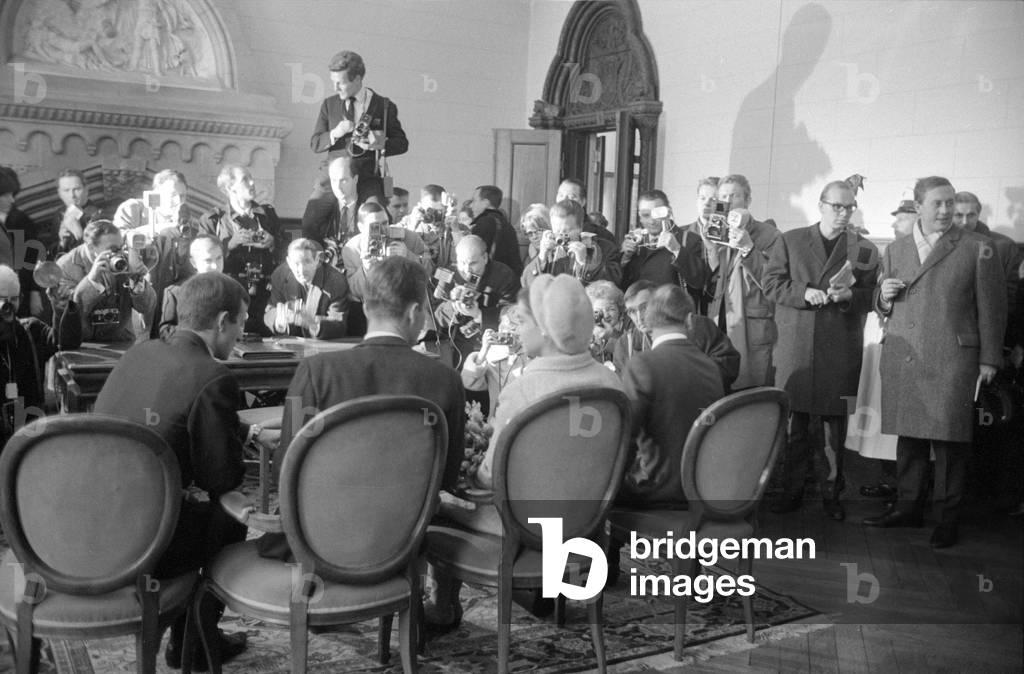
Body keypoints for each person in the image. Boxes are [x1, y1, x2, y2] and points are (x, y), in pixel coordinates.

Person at [426, 274, 624, 631]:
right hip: (587, 526)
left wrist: (463, 472)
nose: (517, 328)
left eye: (524, 320)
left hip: (524, 527)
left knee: (436, 503)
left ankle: (443, 607)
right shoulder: (611, 383)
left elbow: (488, 479)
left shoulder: (525, 390)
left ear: (546, 331)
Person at [94, 272, 270, 670]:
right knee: (229, 516)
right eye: (242, 322)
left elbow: (164, 417)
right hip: (154, 540)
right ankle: (195, 640)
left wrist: (247, 429)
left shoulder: (141, 352)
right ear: (223, 320)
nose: (242, 333)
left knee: (202, 502)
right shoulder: (214, 377)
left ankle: (191, 638)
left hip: (99, 520)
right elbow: (221, 477)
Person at [863, 176, 1005, 549]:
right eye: (937, 204)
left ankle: (947, 519)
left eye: (950, 203)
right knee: (908, 439)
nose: (945, 211)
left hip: (953, 359)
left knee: (950, 444)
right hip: (907, 355)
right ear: (919, 207)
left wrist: (990, 358)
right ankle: (907, 509)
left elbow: (993, 308)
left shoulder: (978, 248)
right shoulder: (896, 249)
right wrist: (883, 296)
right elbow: (882, 303)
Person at [277, 255, 464, 489]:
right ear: (415, 311)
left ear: (365, 308)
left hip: (323, 519)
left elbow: (286, 465)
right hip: (413, 521)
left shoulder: (315, 372)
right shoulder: (446, 380)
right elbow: (447, 477)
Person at [763, 180, 880, 521]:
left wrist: (850, 297)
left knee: (835, 428)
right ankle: (791, 491)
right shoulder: (791, 240)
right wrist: (803, 293)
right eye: (837, 207)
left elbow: (874, 297)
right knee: (794, 425)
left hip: (841, 349)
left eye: (849, 207)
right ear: (821, 205)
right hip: (796, 349)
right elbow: (771, 284)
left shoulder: (865, 250)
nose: (844, 214)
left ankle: (832, 494)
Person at [618, 284, 724, 506]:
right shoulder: (710, 366)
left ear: (650, 319)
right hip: (705, 489)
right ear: (688, 320)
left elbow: (624, 437)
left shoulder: (642, 365)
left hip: (657, 491)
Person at [846, 192, 916, 504]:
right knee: (887, 418)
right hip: (891, 340)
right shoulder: (893, 253)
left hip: (915, 347)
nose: (894, 222)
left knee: (906, 422)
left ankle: (907, 486)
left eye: (901, 216)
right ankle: (892, 479)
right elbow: (879, 300)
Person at [301, 50, 408, 232]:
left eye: (340, 83)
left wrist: (379, 143)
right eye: (333, 82)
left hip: (366, 176)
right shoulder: (329, 104)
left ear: (357, 79)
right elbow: (315, 143)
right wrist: (335, 133)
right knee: (310, 222)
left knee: (377, 221)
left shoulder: (383, 106)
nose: (335, 88)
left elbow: (402, 143)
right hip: (333, 175)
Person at [701, 174, 781, 389]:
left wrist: (748, 247)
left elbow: (773, 282)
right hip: (722, 319)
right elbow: (712, 281)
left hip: (751, 322)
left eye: (734, 195)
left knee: (751, 390)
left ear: (747, 200)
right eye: (723, 196)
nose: (728, 201)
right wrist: (711, 250)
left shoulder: (769, 235)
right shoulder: (719, 230)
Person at [198, 164, 284, 335]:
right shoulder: (213, 220)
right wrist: (229, 244)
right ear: (230, 188)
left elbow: (287, 252)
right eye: (245, 179)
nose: (252, 182)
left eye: (251, 178)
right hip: (229, 296)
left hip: (264, 296)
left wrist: (272, 242)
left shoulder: (268, 215)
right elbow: (200, 256)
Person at [0, 265, 81, 445]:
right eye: (1, 299)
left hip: (29, 432)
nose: (7, 306)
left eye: (13, 299)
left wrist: (61, 309)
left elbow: (66, 343)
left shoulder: (31, 330)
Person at [113, 170, 199, 338]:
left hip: (165, 303)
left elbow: (187, 270)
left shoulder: (186, 222)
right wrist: (156, 230)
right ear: (155, 193)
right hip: (133, 299)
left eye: (183, 196)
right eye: (173, 195)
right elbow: (115, 241)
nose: (178, 202)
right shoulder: (133, 209)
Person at [613, 280, 740, 390]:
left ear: (659, 305)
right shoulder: (625, 344)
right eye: (632, 311)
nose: (639, 317)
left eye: (644, 307)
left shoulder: (696, 326)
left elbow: (729, 365)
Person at [54, 219, 157, 343]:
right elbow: (69, 314)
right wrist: (91, 280)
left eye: (120, 248)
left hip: (120, 340)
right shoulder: (65, 267)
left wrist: (136, 278)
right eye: (112, 249)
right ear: (91, 248)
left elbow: (147, 307)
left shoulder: (124, 261)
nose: (117, 254)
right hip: (82, 342)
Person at [341, 202, 430, 336]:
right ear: (361, 227)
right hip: (373, 311)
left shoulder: (410, 238)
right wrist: (366, 267)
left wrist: (409, 256)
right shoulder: (352, 249)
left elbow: (428, 274)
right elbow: (356, 292)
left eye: (385, 223)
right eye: (375, 226)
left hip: (405, 305)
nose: (382, 229)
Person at [433, 234, 520, 370]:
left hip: (493, 345)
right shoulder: (448, 273)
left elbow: (512, 316)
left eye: (473, 263)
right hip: (455, 345)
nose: (467, 269)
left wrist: (479, 315)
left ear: (485, 258)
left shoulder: (504, 275)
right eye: (462, 262)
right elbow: (435, 314)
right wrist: (454, 306)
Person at [620, 188, 708, 312]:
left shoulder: (688, 240)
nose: (652, 220)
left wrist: (677, 249)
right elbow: (622, 286)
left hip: (673, 317)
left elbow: (699, 281)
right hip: (639, 319)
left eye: (657, 213)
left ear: (669, 212)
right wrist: (625, 258)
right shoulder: (637, 241)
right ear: (639, 217)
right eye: (645, 215)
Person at [522, 199, 620, 287]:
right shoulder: (549, 248)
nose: (560, 236)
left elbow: (614, 283)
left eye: (566, 231)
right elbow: (525, 283)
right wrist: (541, 258)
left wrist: (585, 264)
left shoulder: (605, 248)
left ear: (580, 227)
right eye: (557, 231)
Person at [264, 238, 350, 339]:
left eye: (307, 262)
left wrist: (312, 323)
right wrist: (279, 322)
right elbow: (270, 311)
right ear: (288, 262)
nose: (301, 270)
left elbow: (339, 326)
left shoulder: (336, 281)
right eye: (296, 263)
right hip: (290, 345)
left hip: (323, 346)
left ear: (317, 260)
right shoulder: (279, 275)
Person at [461, 305, 527, 418]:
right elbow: (469, 383)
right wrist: (484, 350)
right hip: (500, 417)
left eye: (514, 327)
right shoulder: (493, 354)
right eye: (504, 326)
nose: (508, 332)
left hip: (528, 414)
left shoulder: (534, 352)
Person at [0, 166, 45, 319]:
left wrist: (34, 292)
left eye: (12, 194)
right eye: (5, 195)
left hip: (18, 291)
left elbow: (31, 258)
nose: (11, 200)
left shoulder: (20, 220)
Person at [159, 234, 224, 339]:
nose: (215, 266)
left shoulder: (232, 291)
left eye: (219, 258)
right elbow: (165, 332)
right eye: (208, 260)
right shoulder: (176, 292)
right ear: (194, 262)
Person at [679, 176, 720, 314]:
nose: (707, 204)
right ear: (697, 201)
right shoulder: (682, 234)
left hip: (720, 304)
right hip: (690, 304)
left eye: (713, 199)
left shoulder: (732, 237)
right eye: (702, 198)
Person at [469, 185, 523, 276]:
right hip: (508, 280)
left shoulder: (484, 223)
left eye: (474, 200)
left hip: (489, 280)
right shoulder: (508, 226)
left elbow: (471, 254)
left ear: (485, 202)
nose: (471, 205)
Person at [48, 169, 102, 257]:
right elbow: (51, 255)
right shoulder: (59, 214)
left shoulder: (99, 215)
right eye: (66, 190)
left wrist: (79, 234)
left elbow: (101, 251)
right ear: (60, 194)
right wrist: (61, 243)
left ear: (86, 190)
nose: (72, 195)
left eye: (76, 189)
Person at [556, 178, 616, 245]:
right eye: (561, 195)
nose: (564, 199)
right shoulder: (547, 229)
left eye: (571, 196)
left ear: (583, 202)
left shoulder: (602, 235)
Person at [586, 280, 626, 369]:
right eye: (598, 311)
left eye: (611, 309)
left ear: (619, 309)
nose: (606, 315)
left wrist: (611, 336)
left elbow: (629, 355)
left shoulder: (629, 328)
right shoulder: (587, 332)